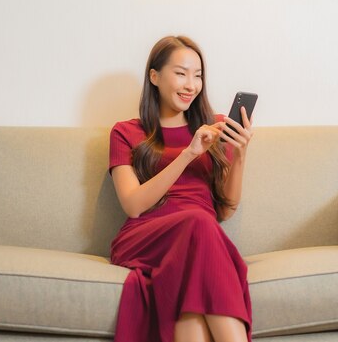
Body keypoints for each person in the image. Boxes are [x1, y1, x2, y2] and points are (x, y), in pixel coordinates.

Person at [108, 35, 253, 342]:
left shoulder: (215, 127)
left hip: (200, 238)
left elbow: (224, 210)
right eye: (181, 73)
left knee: (201, 233)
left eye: (198, 75)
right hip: (146, 236)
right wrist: (188, 153)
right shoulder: (125, 132)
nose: (191, 85)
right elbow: (133, 205)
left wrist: (239, 154)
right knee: (200, 223)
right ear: (155, 76)